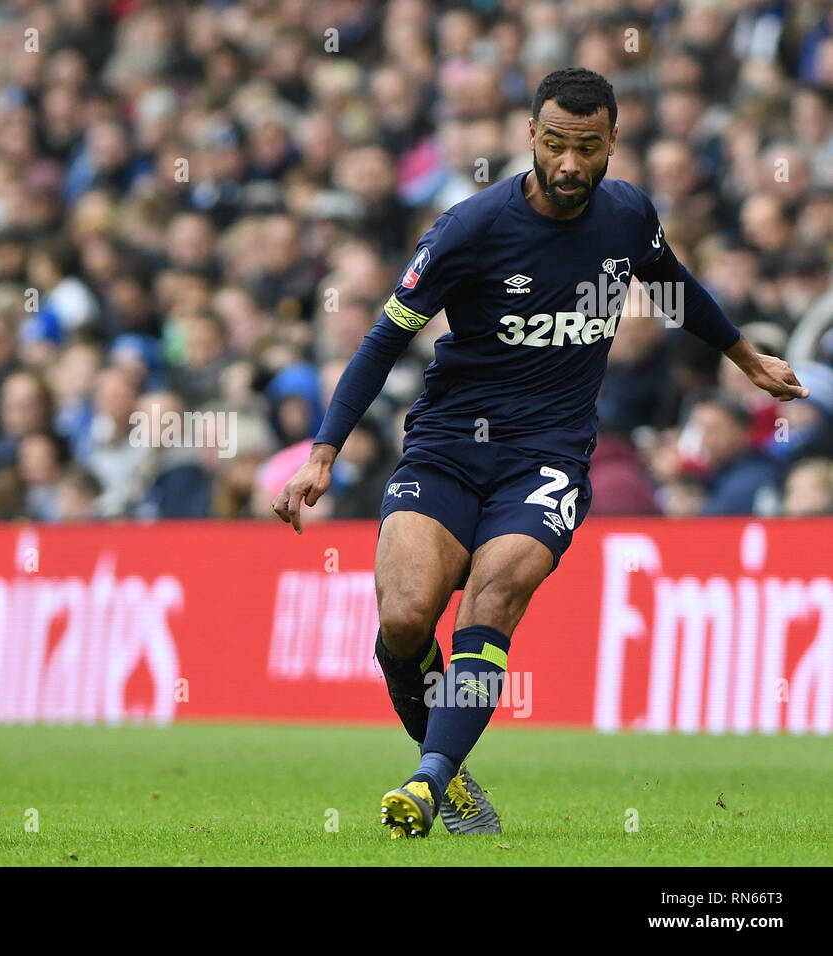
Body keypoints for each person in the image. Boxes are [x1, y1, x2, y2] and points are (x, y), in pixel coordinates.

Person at [273, 68, 807, 839]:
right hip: (449, 446)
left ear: (612, 142)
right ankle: (448, 770)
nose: (569, 164)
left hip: (548, 456)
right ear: (530, 136)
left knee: (490, 605)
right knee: (403, 620)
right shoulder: (469, 229)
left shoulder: (627, 216)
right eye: (555, 143)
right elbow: (385, 336)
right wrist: (324, 452)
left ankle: (428, 783)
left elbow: (672, 284)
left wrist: (745, 356)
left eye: (587, 148)